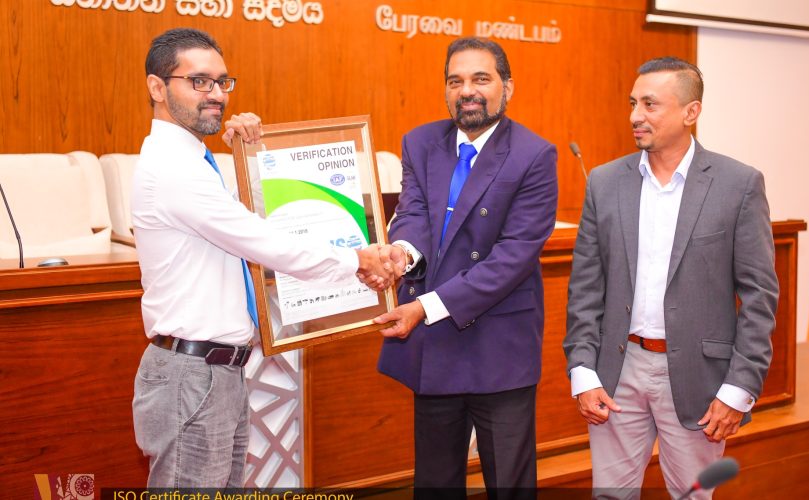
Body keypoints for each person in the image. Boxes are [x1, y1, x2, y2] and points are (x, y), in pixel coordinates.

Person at [131, 28, 396, 488]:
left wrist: (249, 152)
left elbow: (254, 217)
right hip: (192, 375)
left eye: (222, 82)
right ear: (157, 87)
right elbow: (263, 241)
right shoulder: (172, 169)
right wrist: (357, 260)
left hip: (217, 372)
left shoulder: (195, 162)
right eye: (199, 82)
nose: (217, 95)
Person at [563, 57, 779, 499]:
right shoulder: (605, 182)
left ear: (690, 112)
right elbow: (585, 288)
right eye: (632, 103)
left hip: (700, 378)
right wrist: (583, 370)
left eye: (650, 104)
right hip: (616, 372)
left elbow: (760, 298)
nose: (635, 116)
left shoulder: (738, 184)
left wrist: (740, 387)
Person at [372, 37, 558, 497]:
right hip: (435, 344)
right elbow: (414, 214)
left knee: (509, 485)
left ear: (507, 87)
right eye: (455, 81)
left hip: (499, 347)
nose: (467, 90)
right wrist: (403, 253)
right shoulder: (420, 142)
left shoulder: (534, 154)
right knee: (435, 482)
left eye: (481, 79)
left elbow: (513, 257)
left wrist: (425, 307)